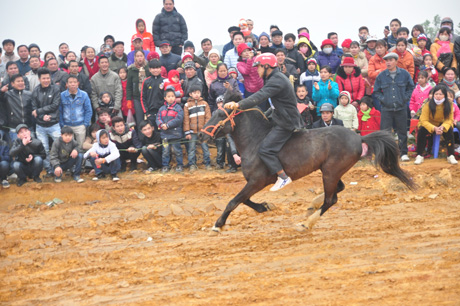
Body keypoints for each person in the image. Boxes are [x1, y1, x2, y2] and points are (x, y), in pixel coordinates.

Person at [225, 53, 304, 191]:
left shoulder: (276, 80)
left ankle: (283, 177)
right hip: (280, 116)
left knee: (265, 149)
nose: (256, 70)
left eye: (258, 67)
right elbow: (274, 104)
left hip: (287, 121)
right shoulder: (274, 78)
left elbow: (260, 96)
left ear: (266, 66)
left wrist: (239, 105)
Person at [373, 53, 415, 162]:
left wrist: (404, 99)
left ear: (396, 61)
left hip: (401, 108)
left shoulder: (405, 74)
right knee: (385, 133)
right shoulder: (381, 76)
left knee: (402, 131)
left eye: (391, 60)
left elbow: (411, 87)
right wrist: (384, 100)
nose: (388, 62)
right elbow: (376, 91)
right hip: (386, 109)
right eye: (386, 60)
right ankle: (386, 155)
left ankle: (403, 153)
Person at [414, 85, 457, 165]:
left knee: (450, 130)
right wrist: (434, 128)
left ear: (445, 95)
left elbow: (449, 119)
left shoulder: (449, 104)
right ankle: (419, 155)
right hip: (430, 124)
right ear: (433, 95)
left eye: (441, 94)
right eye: (436, 94)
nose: (438, 96)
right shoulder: (428, 104)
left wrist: (443, 127)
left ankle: (451, 155)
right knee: (421, 130)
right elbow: (423, 120)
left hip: (442, 124)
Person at [32, 68, 61, 175]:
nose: (46, 80)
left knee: (59, 145)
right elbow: (33, 107)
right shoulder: (35, 90)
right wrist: (42, 116)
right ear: (39, 79)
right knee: (44, 149)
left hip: (54, 124)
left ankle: (59, 167)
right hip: (40, 126)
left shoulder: (56, 89)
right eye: (43, 78)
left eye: (48, 78)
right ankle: (49, 169)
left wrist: (40, 111)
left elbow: (55, 105)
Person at [183, 85, 211, 171]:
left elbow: (208, 117)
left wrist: (206, 129)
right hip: (192, 131)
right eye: (194, 93)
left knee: (205, 147)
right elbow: (186, 119)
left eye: (198, 92)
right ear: (190, 94)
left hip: (203, 131)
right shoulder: (187, 105)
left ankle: (207, 164)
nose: (196, 94)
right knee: (191, 148)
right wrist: (187, 132)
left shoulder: (204, 104)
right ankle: (192, 164)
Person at [60, 75, 93, 148]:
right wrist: (62, 124)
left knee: (80, 147)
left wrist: (85, 123)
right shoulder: (62, 95)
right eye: (70, 82)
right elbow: (60, 111)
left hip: (80, 125)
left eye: (74, 82)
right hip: (66, 124)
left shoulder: (84, 95)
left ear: (78, 83)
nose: (72, 84)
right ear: (67, 84)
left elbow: (88, 110)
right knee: (67, 146)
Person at [156, 88, 184, 173]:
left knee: (177, 150)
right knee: (165, 151)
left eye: (172, 96)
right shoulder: (161, 109)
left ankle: (179, 165)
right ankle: (165, 165)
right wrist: (161, 125)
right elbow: (158, 118)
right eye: (169, 96)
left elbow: (179, 119)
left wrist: (168, 125)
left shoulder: (178, 108)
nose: (171, 98)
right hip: (165, 134)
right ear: (165, 98)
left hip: (175, 134)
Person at [0, 74, 33, 140]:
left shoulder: (29, 94)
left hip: (28, 127)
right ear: (12, 84)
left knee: (31, 148)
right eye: (18, 81)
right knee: (16, 148)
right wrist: (1, 92)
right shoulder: (8, 94)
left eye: (22, 81)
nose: (21, 83)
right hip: (14, 128)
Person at [140, 59, 164, 129]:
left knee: (163, 131)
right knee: (153, 131)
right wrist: (147, 113)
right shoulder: (146, 81)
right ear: (150, 69)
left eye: (157, 68)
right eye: (153, 68)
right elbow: (142, 98)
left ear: (160, 69)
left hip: (163, 112)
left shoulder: (165, 81)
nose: (155, 70)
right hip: (151, 113)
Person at [368, 39, 388, 111]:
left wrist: (379, 71)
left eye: (381, 47)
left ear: (385, 48)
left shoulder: (390, 58)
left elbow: (391, 72)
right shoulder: (372, 59)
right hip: (376, 88)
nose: (379, 50)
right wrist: (384, 72)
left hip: (388, 88)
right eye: (377, 48)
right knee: (379, 111)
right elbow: (370, 74)